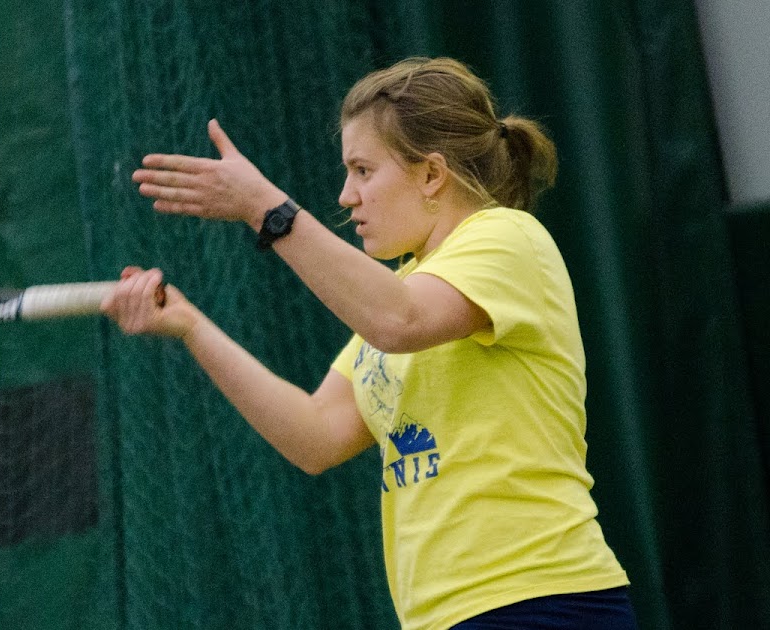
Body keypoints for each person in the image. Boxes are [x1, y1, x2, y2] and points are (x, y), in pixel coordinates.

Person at [101, 57, 636, 630]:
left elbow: (398, 322)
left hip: (540, 601)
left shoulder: (506, 238)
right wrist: (192, 327)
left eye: (363, 170)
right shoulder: (402, 287)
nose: (346, 195)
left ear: (432, 175)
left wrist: (268, 209)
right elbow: (316, 435)